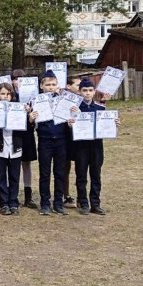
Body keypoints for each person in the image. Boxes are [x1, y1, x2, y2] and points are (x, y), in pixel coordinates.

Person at [70, 78, 119, 215]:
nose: (87, 93)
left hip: (97, 146)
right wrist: (71, 123)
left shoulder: (100, 108)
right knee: (81, 175)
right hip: (81, 146)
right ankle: (83, 202)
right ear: (80, 92)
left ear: (94, 92)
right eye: (84, 90)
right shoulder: (75, 108)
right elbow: (70, 127)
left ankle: (95, 204)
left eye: (90, 90)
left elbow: (106, 125)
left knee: (96, 175)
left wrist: (114, 124)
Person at [28, 70, 73, 216]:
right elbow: (30, 124)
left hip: (61, 140)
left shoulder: (65, 100)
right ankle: (45, 203)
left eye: (53, 84)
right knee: (45, 173)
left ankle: (58, 203)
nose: (51, 87)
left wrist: (73, 116)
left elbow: (72, 120)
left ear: (57, 85)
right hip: (45, 140)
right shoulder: (36, 101)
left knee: (60, 173)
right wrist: (31, 118)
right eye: (48, 84)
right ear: (42, 86)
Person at [0, 83, 24, 216]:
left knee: (14, 177)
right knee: (0, 176)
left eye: (8, 94)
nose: (6, 96)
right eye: (3, 94)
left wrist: (27, 116)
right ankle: (4, 203)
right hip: (0, 147)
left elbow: (26, 127)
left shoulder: (19, 108)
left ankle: (13, 202)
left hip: (15, 147)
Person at [12, 69, 38, 209]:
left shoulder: (32, 97)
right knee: (12, 163)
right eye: (16, 79)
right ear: (12, 81)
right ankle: (13, 195)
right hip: (13, 133)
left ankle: (28, 196)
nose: (18, 82)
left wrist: (31, 114)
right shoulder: (9, 96)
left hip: (27, 132)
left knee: (26, 163)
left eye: (22, 79)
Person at [63, 75, 82, 209]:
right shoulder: (61, 99)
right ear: (68, 86)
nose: (80, 88)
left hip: (80, 137)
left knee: (81, 167)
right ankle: (66, 195)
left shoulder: (82, 100)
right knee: (65, 167)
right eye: (77, 85)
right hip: (64, 137)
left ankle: (82, 196)